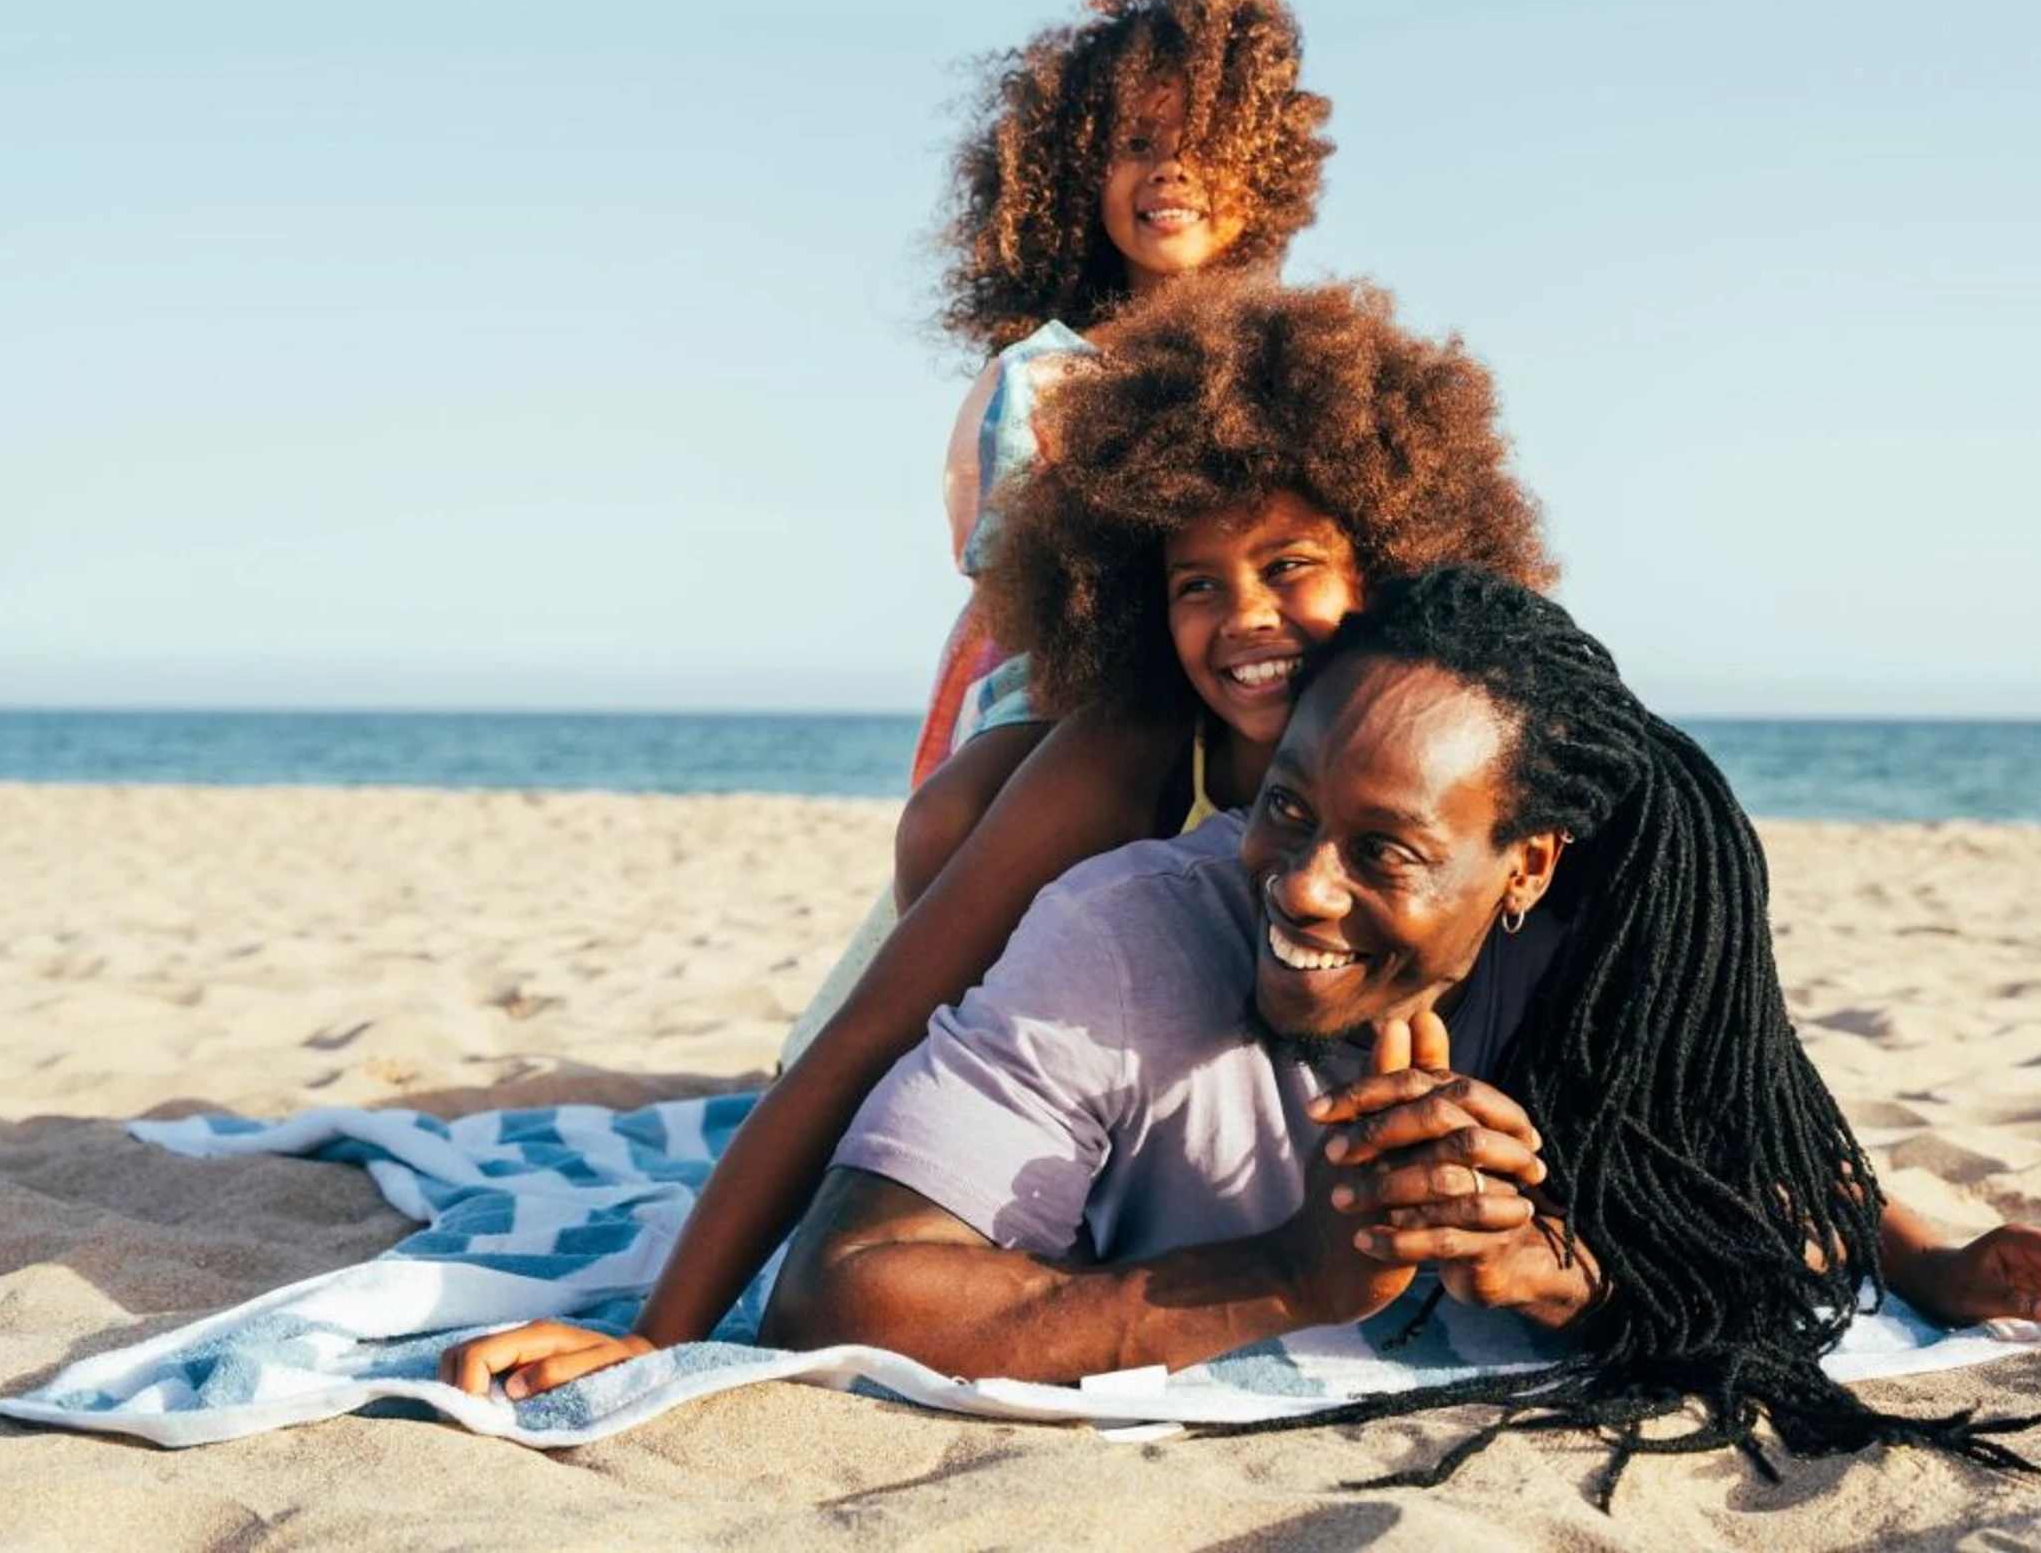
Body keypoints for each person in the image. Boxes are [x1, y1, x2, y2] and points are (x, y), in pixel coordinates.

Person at [760, 568, 2041, 1495]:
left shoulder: (1598, 962)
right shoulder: (1120, 937)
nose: (1299, 881)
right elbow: (838, 1283)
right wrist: (1291, 1272)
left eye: (1386, 850)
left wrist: (1543, 1269)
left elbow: (1759, 1181)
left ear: (1525, 863)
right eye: (1288, 807)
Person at [441, 277, 1549, 1397]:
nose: (1245, 616)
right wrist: (659, 1329)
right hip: (977, 1052)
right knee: (952, 838)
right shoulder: (1128, 761)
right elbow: (872, 1033)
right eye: (1194, 584)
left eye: (1290, 567)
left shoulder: (1461, 745)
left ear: (1391, 555)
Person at [903, 0, 1334, 861]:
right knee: (941, 824)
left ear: (1264, 170)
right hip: (1082, 689)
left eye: (1201, 144)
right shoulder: (1045, 377)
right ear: (1074, 178)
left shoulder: (1308, 358)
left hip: (1265, 662)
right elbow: (1014, 591)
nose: (1168, 169)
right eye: (1135, 144)